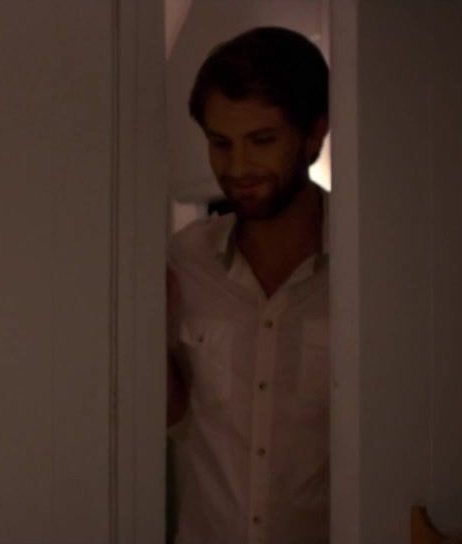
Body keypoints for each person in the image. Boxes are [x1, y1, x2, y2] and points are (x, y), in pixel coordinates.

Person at [167, 26, 330, 544]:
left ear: (314, 135)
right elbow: (171, 413)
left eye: (262, 141)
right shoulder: (185, 259)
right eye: (221, 143)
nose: (237, 168)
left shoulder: (367, 269)